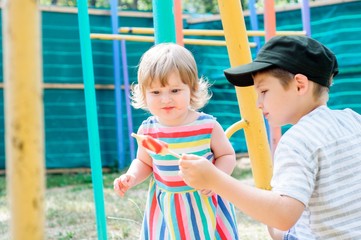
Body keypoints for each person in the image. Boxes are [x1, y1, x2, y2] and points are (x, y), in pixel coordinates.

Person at [179, 35, 361, 239]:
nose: (258, 102)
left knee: (275, 227)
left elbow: (283, 215)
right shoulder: (354, 120)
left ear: (300, 85)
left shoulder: (298, 140)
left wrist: (215, 180)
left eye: (264, 91)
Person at [113, 43, 239, 239]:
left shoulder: (207, 126)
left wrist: (217, 180)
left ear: (192, 89)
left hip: (204, 201)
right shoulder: (148, 130)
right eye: (156, 92)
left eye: (175, 91)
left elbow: (227, 155)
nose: (165, 99)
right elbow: (144, 162)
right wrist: (131, 176)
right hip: (167, 207)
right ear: (143, 94)